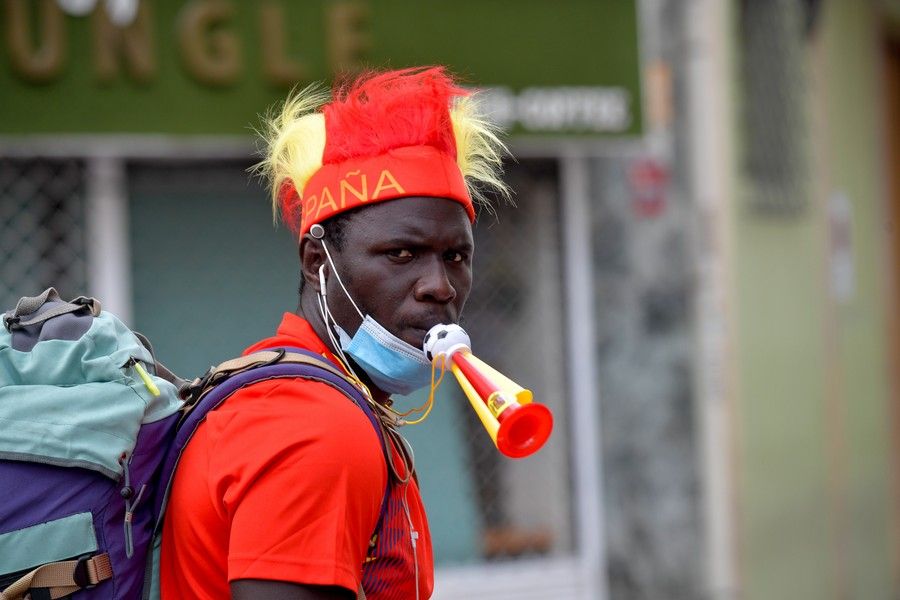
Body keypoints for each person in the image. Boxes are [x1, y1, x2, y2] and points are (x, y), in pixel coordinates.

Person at [159, 66, 509, 600]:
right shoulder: (316, 425)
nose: (439, 286)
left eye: (456, 256)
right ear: (316, 258)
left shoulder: (289, 388)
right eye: (401, 254)